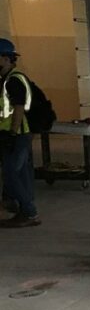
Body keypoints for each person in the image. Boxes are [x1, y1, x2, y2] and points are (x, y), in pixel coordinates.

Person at [0, 38, 39, 227]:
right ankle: (26, 207)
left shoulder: (13, 80)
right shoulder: (8, 79)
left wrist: (12, 134)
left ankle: (29, 211)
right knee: (21, 173)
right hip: (17, 133)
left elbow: (18, 108)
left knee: (10, 174)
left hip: (17, 134)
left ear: (6, 59)